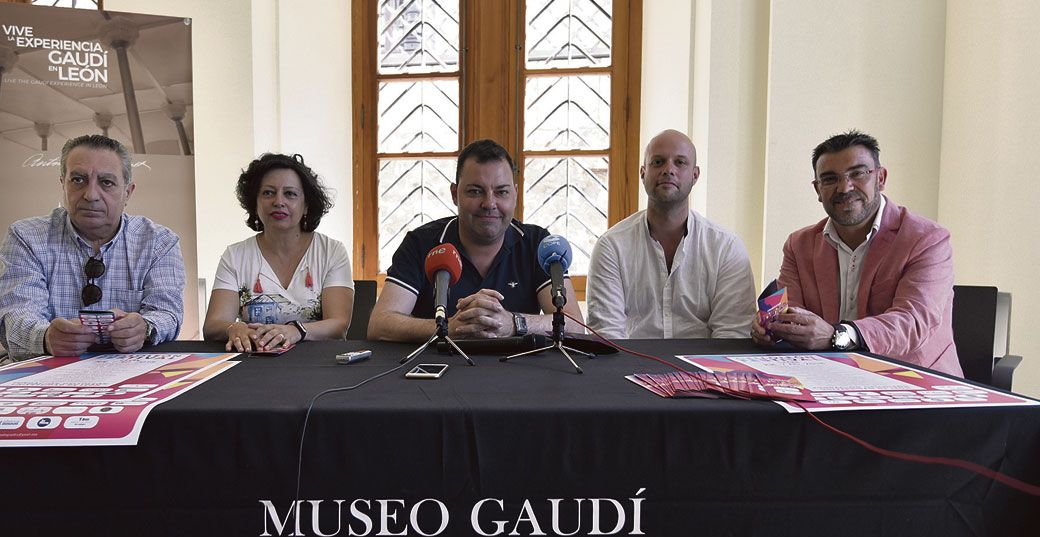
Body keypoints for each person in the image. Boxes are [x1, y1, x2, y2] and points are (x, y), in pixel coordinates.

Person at [753, 130, 962, 376]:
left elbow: (912, 323)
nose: (845, 187)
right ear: (818, 190)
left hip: (913, 384)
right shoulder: (799, 245)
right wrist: (773, 328)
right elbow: (792, 312)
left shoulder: (926, 239)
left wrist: (837, 335)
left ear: (881, 178)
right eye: (830, 179)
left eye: (858, 173)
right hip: (825, 380)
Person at [367, 139, 583, 342]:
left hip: (519, 374)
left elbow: (574, 325)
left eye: (501, 192)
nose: (489, 203)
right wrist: (449, 327)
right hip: (438, 373)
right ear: (454, 194)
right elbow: (379, 324)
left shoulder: (538, 244)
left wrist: (514, 323)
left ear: (515, 195)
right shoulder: (421, 243)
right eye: (475, 191)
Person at [0, 134, 184, 360]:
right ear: (62, 184)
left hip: (128, 373)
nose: (91, 195)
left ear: (127, 192)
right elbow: (16, 314)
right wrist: (45, 337)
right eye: (78, 180)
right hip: (48, 374)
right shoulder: (27, 237)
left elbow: (167, 313)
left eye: (106, 182)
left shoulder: (158, 242)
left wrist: (145, 327)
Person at [586, 129, 754, 338]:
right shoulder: (612, 247)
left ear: (695, 175)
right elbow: (606, 335)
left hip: (705, 370)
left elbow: (733, 336)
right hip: (629, 368)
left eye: (680, 162)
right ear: (642, 173)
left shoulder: (726, 248)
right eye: (658, 162)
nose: (668, 170)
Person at [202, 153, 353, 352]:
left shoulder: (331, 252)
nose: (278, 201)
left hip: (317, 364)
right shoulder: (235, 255)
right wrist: (233, 327)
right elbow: (213, 325)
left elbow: (339, 325)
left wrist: (297, 331)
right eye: (268, 193)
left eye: (290, 193)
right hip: (253, 363)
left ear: (306, 205)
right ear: (254, 204)